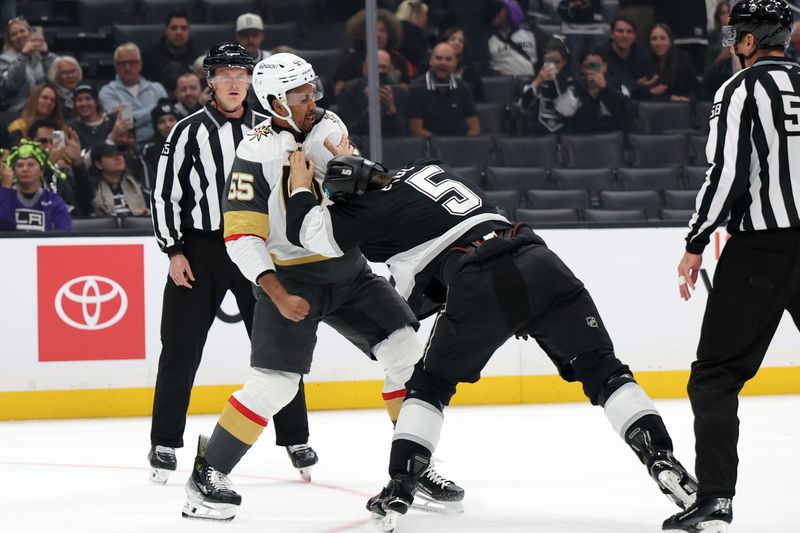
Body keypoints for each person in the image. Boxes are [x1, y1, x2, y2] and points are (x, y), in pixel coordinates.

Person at [283, 149, 699, 532]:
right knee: (605, 371)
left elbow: (309, 233)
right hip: (539, 259)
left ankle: (401, 486)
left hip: (478, 277)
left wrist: (302, 187)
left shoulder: (369, 209)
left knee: (429, 387)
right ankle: (660, 457)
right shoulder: (429, 169)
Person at [181, 52, 464, 522]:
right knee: (274, 386)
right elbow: (240, 237)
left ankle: (415, 465)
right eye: (300, 94)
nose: (312, 100)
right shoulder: (255, 153)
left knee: (408, 356)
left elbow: (355, 187)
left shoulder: (328, 123)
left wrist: (355, 168)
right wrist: (276, 293)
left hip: (348, 270)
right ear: (274, 101)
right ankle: (207, 475)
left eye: (312, 90)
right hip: (291, 278)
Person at [149, 43, 314, 487]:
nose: (235, 82)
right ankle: (164, 441)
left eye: (242, 74)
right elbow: (166, 195)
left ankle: (296, 438)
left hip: (255, 246)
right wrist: (174, 250)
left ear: (253, 82)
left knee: (281, 346)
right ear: (211, 82)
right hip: (200, 250)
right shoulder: (186, 131)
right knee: (180, 346)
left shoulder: (269, 130)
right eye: (225, 75)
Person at [667, 1, 798, 531]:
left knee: (715, 377)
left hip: (763, 248)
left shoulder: (741, 90)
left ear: (749, 41)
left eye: (737, 35)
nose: (733, 44)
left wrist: (696, 240)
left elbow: (726, 173)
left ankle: (715, 500)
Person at [333, 8, 412, 97]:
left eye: (383, 31)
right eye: (373, 30)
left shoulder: (398, 60)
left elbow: (408, 93)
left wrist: (394, 79)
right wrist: (364, 81)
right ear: (363, 35)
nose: (378, 35)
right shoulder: (349, 61)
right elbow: (339, 92)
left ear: (390, 34)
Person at [99, 43, 168, 144]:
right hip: (126, 145)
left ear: (140, 64)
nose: (127, 67)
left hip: (159, 143)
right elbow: (124, 123)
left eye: (132, 62)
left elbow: (167, 115)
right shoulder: (107, 92)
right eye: (122, 63)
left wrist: (130, 114)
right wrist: (155, 108)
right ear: (116, 67)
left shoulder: (156, 88)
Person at [408, 42, 480, 137]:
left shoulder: (463, 88)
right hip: (428, 147)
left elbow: (475, 128)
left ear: (455, 63)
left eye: (448, 59)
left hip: (457, 145)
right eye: (438, 58)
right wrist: (443, 145)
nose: (443, 63)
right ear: (430, 61)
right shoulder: (416, 88)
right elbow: (416, 130)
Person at [0, 140, 72, 231]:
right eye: (20, 165)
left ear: (41, 171)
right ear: (14, 171)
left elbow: (66, 232)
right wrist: (6, 188)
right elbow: (2, 227)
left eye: (31, 165)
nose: (25, 169)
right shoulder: (4, 196)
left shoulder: (53, 201)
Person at [563, 47, 636, 133]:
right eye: (588, 66)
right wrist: (592, 94)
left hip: (616, 137)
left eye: (596, 66)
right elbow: (574, 123)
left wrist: (606, 88)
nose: (593, 71)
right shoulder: (574, 88)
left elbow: (630, 112)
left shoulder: (617, 85)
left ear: (605, 67)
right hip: (585, 139)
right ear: (582, 68)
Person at [335, 49, 408, 136]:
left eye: (383, 67)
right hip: (360, 145)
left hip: (390, 145)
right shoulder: (348, 91)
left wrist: (391, 108)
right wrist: (370, 109)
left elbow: (403, 132)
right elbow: (349, 132)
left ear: (390, 69)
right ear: (364, 68)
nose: (379, 71)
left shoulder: (398, 91)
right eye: (375, 67)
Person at [518, 38, 575, 134]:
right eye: (548, 61)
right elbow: (523, 108)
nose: (552, 66)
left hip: (564, 136)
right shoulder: (533, 82)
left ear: (565, 61)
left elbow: (567, 111)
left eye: (556, 62)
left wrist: (555, 83)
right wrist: (538, 82)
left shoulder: (572, 84)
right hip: (537, 137)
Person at [0, 16, 57, 112]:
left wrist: (46, 55)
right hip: (19, 111)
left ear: (30, 33)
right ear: (10, 40)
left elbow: (55, 82)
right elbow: (12, 86)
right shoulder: (3, 60)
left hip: (46, 110)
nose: (19, 36)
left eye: (22, 31)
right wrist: (23, 55)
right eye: (14, 34)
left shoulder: (42, 56)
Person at [141, 10, 197, 93]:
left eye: (183, 28)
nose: (179, 32)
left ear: (189, 31)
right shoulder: (149, 56)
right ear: (166, 31)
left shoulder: (196, 57)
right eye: (174, 28)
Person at [89, 143, 149, 217]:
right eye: (110, 155)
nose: (118, 158)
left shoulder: (136, 185)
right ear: (99, 165)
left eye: (119, 154)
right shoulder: (91, 189)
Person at [603, 16, 657, 99]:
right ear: (611, 34)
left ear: (634, 36)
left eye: (629, 32)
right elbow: (607, 84)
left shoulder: (643, 54)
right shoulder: (600, 55)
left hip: (639, 102)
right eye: (620, 31)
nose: (625, 35)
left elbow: (649, 81)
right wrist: (635, 85)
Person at [486, 0, 541, 77]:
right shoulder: (488, 38)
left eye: (503, 9)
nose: (502, 14)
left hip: (530, 81)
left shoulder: (531, 33)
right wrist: (495, 73)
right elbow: (483, 67)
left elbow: (542, 62)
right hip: (504, 83)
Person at [647, 23, 700, 102]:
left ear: (670, 41)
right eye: (654, 39)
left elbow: (695, 89)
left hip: (681, 107)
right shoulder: (645, 61)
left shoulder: (683, 60)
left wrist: (688, 99)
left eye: (663, 38)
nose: (658, 43)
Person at [67, 84, 120, 149]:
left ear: (96, 102)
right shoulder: (71, 127)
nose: (84, 104)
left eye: (88, 99)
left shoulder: (112, 122)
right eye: (79, 100)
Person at [441, 27, 485, 103]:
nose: (457, 43)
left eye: (461, 41)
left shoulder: (471, 69)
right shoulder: (432, 64)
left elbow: (480, 98)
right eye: (453, 39)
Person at [142, 98, 180, 176]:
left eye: (171, 120)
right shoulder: (150, 148)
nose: (168, 125)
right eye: (161, 122)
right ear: (155, 126)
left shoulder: (189, 140)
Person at [47, 55, 82, 120]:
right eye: (64, 73)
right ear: (55, 75)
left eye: (73, 71)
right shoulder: (50, 95)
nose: (70, 76)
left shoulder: (86, 91)